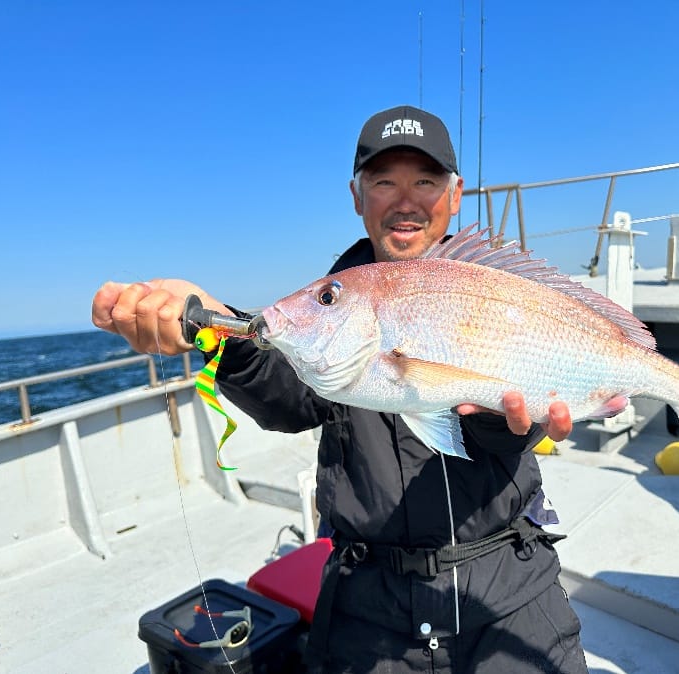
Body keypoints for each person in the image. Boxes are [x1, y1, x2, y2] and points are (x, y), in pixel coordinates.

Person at [92, 105, 589, 673]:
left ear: (455, 196)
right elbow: (287, 395)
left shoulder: (500, 289)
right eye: (384, 182)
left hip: (510, 594)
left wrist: (496, 420)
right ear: (357, 197)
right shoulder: (336, 307)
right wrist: (213, 328)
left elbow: (503, 428)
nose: (405, 201)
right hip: (366, 610)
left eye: (425, 181)